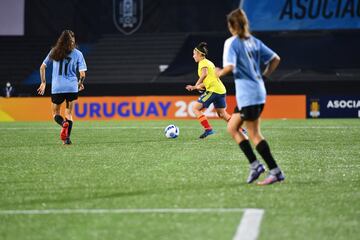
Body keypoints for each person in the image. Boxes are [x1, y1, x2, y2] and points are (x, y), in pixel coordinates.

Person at [217, 9, 285, 185]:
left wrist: (218, 73)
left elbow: (230, 67)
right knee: (232, 127)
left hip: (249, 95)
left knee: (254, 134)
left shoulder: (231, 43)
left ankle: (275, 171)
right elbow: (275, 59)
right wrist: (264, 75)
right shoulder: (254, 41)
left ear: (232, 25)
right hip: (257, 91)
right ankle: (255, 166)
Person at [37, 30, 87, 145]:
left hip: (57, 88)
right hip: (71, 87)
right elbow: (83, 74)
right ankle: (67, 139)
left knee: (56, 114)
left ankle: (63, 123)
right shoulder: (78, 53)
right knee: (69, 113)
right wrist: (79, 83)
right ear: (72, 41)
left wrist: (43, 82)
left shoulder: (54, 51)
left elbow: (42, 67)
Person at [186, 42, 231, 139]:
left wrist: (196, 84)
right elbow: (210, 79)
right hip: (220, 90)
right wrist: (195, 87)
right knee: (222, 114)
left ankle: (208, 129)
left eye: (194, 54)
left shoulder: (202, 63)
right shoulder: (209, 62)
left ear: (200, 54)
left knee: (195, 108)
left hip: (213, 90)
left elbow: (204, 74)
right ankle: (240, 130)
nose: (193, 56)